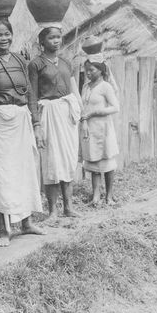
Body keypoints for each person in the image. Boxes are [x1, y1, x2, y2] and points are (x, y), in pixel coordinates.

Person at [0, 17, 46, 247]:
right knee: (1, 173)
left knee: (24, 170)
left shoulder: (20, 59)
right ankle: (3, 230)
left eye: (7, 34)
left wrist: (36, 124)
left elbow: (31, 94)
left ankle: (26, 223)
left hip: (21, 119)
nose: (4, 39)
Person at [28, 25, 82, 219]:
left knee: (67, 160)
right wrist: (36, 123)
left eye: (58, 37)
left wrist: (78, 112)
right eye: (52, 38)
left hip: (66, 113)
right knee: (51, 161)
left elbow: (73, 89)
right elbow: (32, 95)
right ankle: (52, 210)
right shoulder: (36, 64)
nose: (56, 41)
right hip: (48, 113)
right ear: (42, 42)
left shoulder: (67, 63)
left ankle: (69, 207)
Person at [79, 55, 121, 206]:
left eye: (91, 70)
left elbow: (115, 107)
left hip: (103, 128)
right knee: (93, 162)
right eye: (86, 70)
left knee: (107, 162)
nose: (88, 73)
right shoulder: (85, 86)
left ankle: (109, 196)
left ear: (101, 70)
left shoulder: (105, 87)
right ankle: (96, 196)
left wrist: (95, 113)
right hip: (89, 128)